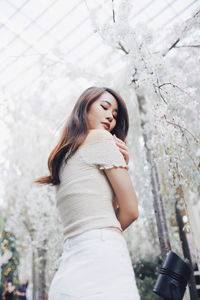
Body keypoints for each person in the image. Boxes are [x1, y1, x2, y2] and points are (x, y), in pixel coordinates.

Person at [34, 86, 140, 299]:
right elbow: (131, 211)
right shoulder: (101, 138)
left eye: (115, 115)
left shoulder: (63, 157)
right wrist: (122, 165)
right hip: (103, 252)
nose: (110, 116)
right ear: (84, 107)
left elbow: (95, 208)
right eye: (104, 107)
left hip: (71, 256)